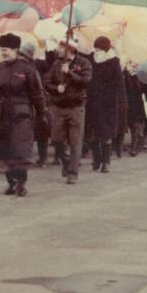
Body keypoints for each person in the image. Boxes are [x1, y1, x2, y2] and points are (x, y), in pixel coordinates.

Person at [0, 33, 47, 196]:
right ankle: (11, 182)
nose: (3, 53)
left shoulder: (27, 69)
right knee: (5, 151)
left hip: (21, 117)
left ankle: (21, 183)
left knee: (20, 151)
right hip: (1, 116)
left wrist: (42, 113)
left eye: (6, 49)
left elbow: (36, 94)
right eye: (1, 49)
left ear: (15, 49)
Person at [44, 39, 91, 184]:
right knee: (56, 139)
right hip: (59, 107)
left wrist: (70, 73)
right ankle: (66, 162)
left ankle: (72, 173)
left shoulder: (84, 63)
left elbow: (86, 81)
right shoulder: (56, 64)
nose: (58, 49)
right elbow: (46, 82)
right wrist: (56, 88)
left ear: (69, 49)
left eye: (61, 47)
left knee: (75, 142)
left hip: (76, 107)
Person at [83, 36, 123, 174]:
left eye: (99, 49)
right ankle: (97, 158)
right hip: (92, 101)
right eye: (95, 48)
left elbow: (118, 83)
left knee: (105, 134)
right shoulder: (90, 59)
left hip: (108, 103)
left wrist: (118, 101)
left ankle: (106, 162)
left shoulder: (113, 61)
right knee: (92, 133)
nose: (97, 51)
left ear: (106, 49)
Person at [123, 61, 145, 156]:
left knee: (136, 124)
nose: (133, 67)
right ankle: (136, 143)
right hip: (127, 102)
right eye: (130, 65)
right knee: (130, 124)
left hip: (139, 103)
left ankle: (135, 146)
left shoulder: (142, 77)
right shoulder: (125, 75)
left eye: (135, 65)